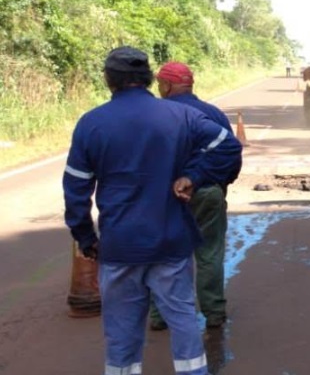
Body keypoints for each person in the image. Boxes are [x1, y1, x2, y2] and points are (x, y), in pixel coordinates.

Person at [63, 46, 243, 375]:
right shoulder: (180, 117)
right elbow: (228, 146)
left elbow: (76, 191)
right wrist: (195, 176)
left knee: (121, 331)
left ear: (108, 80)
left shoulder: (91, 124)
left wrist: (85, 236)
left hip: (119, 246)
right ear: (148, 79)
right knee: (184, 320)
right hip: (171, 242)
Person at [148, 61, 242, 331]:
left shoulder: (155, 115)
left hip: (165, 196)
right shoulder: (212, 114)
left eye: (159, 84)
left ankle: (159, 315)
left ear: (166, 85)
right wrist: (220, 186)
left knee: (164, 255)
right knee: (209, 253)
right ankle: (213, 312)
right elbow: (231, 154)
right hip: (207, 193)